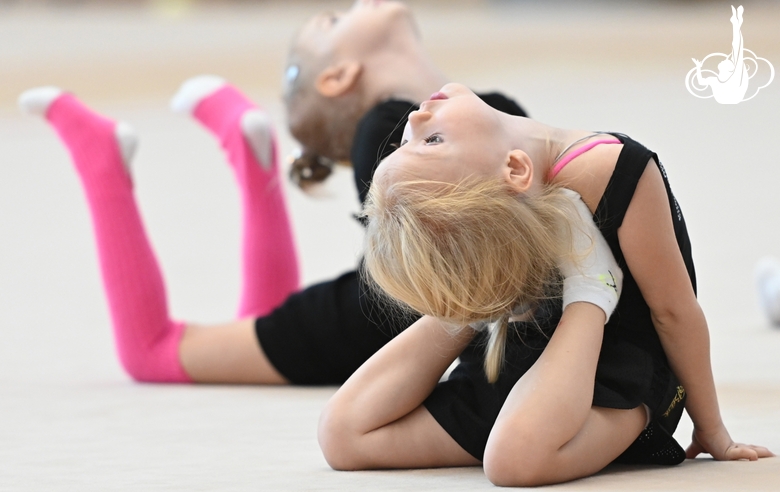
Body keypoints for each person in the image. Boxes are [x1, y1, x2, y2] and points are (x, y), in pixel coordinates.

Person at [18, 0, 526, 385]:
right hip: (372, 319)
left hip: (374, 312)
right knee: (151, 354)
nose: (354, 5)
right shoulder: (386, 127)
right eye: (334, 19)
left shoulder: (493, 106)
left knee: (231, 332)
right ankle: (101, 162)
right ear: (338, 76)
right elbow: (431, 263)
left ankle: (245, 152)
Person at [317, 83, 773, 486]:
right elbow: (347, 434)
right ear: (514, 170)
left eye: (414, 140)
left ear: (515, 170)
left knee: (513, 461)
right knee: (340, 435)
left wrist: (709, 426)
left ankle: (592, 286)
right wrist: (474, 296)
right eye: (429, 140)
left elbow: (673, 310)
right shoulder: (497, 179)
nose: (415, 117)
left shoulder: (611, 168)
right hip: (512, 358)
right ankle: (487, 303)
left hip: (612, 381)